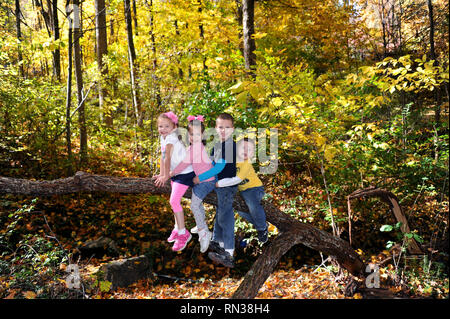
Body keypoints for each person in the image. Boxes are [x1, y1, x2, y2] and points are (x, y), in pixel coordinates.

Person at [170, 115, 224, 253]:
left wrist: (171, 173)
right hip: (202, 179)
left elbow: (184, 164)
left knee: (194, 204)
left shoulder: (197, 147)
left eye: (198, 134)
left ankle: (204, 232)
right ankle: (201, 222)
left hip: (207, 181)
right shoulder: (192, 147)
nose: (194, 137)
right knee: (196, 203)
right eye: (191, 134)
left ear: (203, 134)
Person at [195, 113, 238, 268]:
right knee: (220, 214)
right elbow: (211, 164)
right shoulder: (217, 145)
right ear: (216, 128)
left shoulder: (230, 146)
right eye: (220, 127)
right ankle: (218, 243)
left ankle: (229, 252)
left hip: (227, 186)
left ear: (232, 130)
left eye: (227, 127)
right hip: (218, 185)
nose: (223, 130)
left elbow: (218, 167)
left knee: (225, 217)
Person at [153, 111, 194, 252]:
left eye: (166, 126)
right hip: (175, 173)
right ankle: (177, 228)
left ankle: (184, 234)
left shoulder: (171, 138)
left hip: (185, 173)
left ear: (174, 127)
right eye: (160, 126)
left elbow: (168, 159)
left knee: (173, 201)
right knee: (174, 201)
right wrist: (161, 173)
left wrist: (165, 176)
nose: (162, 129)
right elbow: (162, 157)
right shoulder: (163, 138)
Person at [216, 137, 268, 243]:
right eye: (243, 148)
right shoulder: (232, 162)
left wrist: (220, 183)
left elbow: (237, 179)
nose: (245, 151)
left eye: (249, 150)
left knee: (252, 205)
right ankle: (261, 222)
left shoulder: (246, 163)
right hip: (243, 191)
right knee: (240, 211)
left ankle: (262, 228)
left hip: (254, 188)